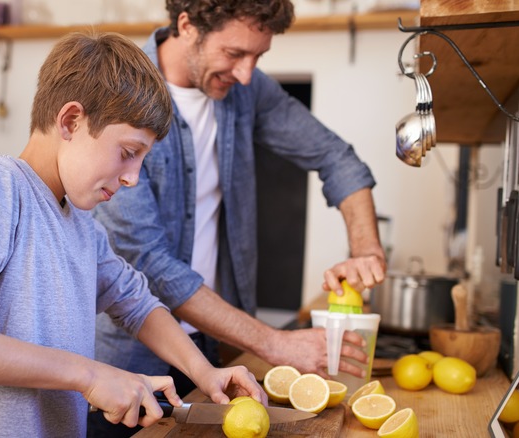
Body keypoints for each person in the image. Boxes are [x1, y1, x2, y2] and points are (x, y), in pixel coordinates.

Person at [0, 31, 265, 438]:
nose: (132, 178)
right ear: (71, 120)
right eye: (128, 152)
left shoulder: (81, 224)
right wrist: (89, 375)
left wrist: (205, 372)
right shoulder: (1, 189)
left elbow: (136, 303)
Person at [90, 1, 386, 434]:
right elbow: (149, 262)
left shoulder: (247, 89)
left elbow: (336, 157)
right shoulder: (122, 91)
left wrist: (366, 251)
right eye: (234, 54)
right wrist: (275, 343)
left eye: (258, 57)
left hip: (221, 352)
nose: (247, 74)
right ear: (187, 25)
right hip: (133, 361)